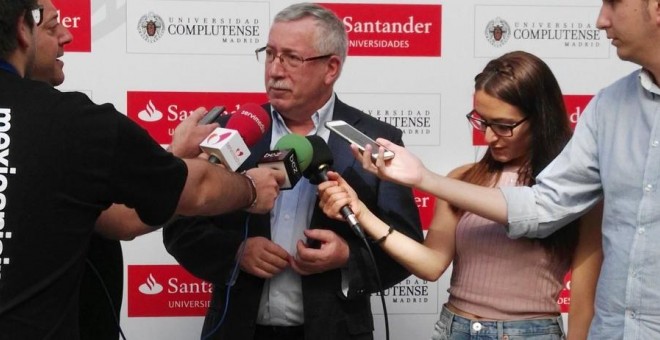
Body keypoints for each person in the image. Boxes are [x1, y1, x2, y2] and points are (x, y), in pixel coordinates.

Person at [320, 0, 660, 338]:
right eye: (482, 121)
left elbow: (584, 299)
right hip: (454, 328)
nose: (488, 136)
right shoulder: (462, 180)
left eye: (504, 125)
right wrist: (362, 213)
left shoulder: (581, 192)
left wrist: (426, 178)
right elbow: (431, 264)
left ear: (540, 118)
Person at [0, 1, 284, 339]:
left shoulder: (72, 133)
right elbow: (198, 190)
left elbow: (117, 219)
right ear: (22, 29)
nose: (69, 35)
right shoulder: (77, 124)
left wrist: (173, 156)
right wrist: (250, 189)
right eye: (50, 26)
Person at [162, 3, 423, 340]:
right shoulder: (232, 132)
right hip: (238, 329)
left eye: (291, 58)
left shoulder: (375, 139)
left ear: (331, 68)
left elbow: (408, 248)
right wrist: (236, 252)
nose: (275, 70)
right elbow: (180, 227)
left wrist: (347, 257)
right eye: (270, 54)